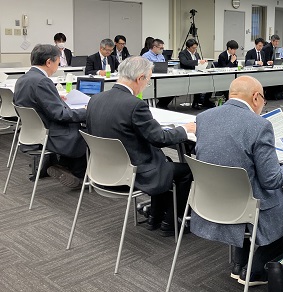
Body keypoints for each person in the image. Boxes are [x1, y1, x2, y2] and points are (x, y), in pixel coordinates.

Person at [191, 76, 283, 286]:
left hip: (211, 202)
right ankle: (257, 269)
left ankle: (239, 263)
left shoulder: (203, 117)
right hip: (245, 207)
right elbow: (272, 180)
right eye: (264, 100)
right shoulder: (260, 125)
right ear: (256, 97)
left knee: (243, 189)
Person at [86, 57, 195, 237]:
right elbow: (159, 138)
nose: (147, 85)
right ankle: (171, 222)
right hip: (134, 172)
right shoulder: (135, 105)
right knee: (186, 171)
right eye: (148, 80)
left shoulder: (95, 99)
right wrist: (185, 129)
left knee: (164, 161)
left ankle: (155, 216)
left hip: (104, 170)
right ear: (140, 78)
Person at [13, 44, 87, 188]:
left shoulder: (23, 79)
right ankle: (77, 175)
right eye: (58, 63)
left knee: (75, 126)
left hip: (31, 132)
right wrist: (87, 111)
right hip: (49, 134)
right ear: (49, 62)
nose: (57, 67)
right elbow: (60, 115)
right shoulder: (42, 81)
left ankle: (62, 166)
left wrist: (55, 97)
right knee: (85, 131)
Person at [179, 39, 211, 109]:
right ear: (188, 47)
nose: (195, 49)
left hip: (196, 73)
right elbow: (185, 62)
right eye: (193, 48)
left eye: (196, 48)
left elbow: (199, 63)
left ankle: (198, 102)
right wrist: (198, 62)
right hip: (186, 74)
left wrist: (203, 62)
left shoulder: (196, 54)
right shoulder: (182, 53)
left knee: (203, 83)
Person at [143, 39, 173, 108]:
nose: (162, 50)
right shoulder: (146, 56)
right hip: (151, 80)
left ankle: (162, 105)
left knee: (172, 89)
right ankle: (161, 105)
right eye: (161, 48)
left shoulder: (161, 55)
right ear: (154, 47)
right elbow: (145, 69)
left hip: (162, 78)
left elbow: (163, 66)